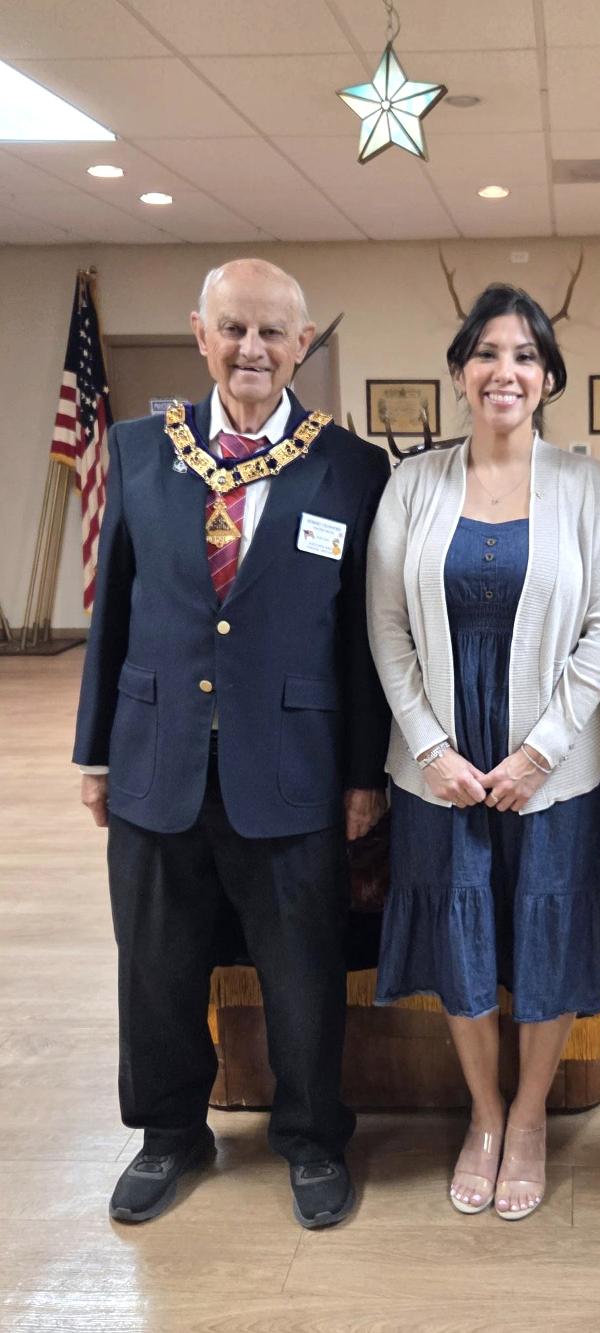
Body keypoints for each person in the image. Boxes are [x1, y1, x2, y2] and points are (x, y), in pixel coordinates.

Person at [73, 258, 390, 1229]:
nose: (252, 349)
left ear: (302, 344)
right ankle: (169, 1132)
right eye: (234, 328)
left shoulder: (350, 466)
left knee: (301, 970)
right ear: (201, 334)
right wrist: (94, 752)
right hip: (156, 754)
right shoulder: (138, 450)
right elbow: (113, 611)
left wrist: (363, 773)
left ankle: (312, 1137)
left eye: (272, 332)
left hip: (292, 765)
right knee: (155, 965)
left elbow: (359, 639)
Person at [367, 284, 600, 1221]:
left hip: (555, 769)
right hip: (438, 768)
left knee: (548, 932)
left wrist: (539, 754)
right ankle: (483, 1112)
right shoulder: (413, 484)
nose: (504, 371)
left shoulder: (589, 488)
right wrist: (430, 748)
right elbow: (387, 626)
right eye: (486, 352)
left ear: (549, 376)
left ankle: (529, 1118)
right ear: (460, 370)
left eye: (524, 355)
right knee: (462, 929)